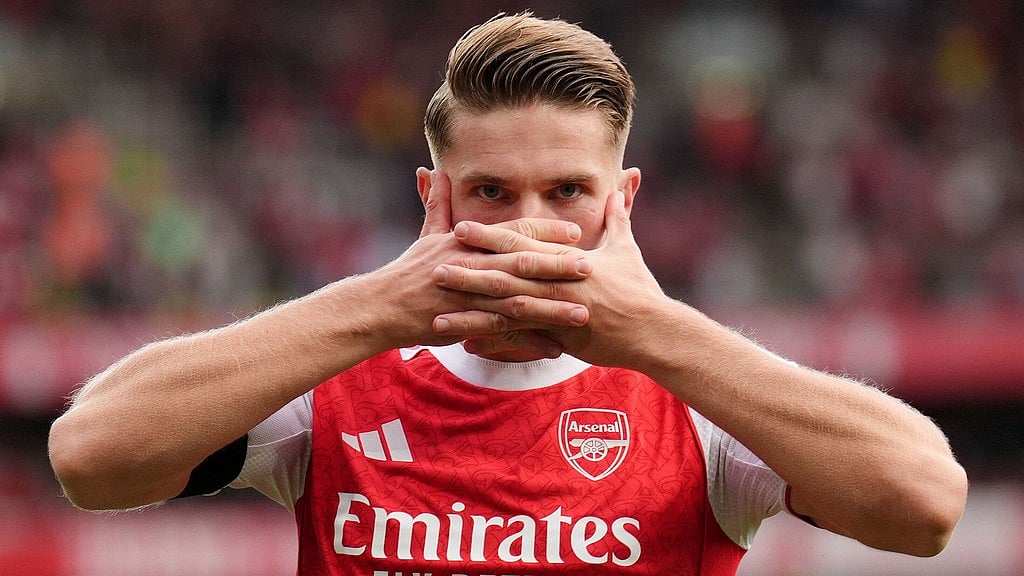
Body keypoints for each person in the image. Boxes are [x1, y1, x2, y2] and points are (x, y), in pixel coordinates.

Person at [49, 12, 968, 575]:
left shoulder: (699, 401)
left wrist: (657, 332)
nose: (529, 228)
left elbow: (926, 508)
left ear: (622, 202)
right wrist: (375, 306)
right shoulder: (336, 384)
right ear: (434, 197)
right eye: (490, 192)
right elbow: (90, 458)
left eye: (567, 192)